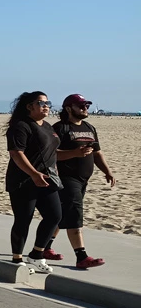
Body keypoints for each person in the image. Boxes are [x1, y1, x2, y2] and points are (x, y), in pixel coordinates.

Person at [45, 94, 116, 268]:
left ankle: (45, 247)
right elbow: (50, 154)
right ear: (69, 108)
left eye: (86, 105)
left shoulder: (89, 127)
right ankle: (81, 256)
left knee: (62, 215)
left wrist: (107, 171)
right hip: (66, 179)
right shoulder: (60, 128)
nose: (85, 108)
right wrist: (74, 154)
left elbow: (97, 152)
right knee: (75, 214)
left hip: (84, 179)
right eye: (81, 105)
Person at [4, 91, 62, 273]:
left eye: (48, 103)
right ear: (29, 106)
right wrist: (34, 174)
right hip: (24, 181)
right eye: (41, 103)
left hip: (47, 180)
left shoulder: (47, 127)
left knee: (55, 216)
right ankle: (17, 259)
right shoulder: (20, 127)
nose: (46, 106)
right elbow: (16, 153)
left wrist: (75, 154)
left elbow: (52, 154)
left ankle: (37, 254)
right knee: (23, 220)